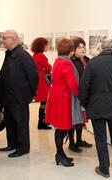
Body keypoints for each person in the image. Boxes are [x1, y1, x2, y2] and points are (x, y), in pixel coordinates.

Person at [79, 38, 112, 178]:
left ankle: (104, 169)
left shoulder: (92, 63)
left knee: (101, 138)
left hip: (96, 106)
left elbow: (84, 86)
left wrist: (85, 104)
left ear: (101, 49)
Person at [0, 30, 38, 158]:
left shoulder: (23, 55)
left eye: (4, 38)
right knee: (10, 122)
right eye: (2, 38)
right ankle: (12, 144)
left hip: (19, 97)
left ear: (14, 39)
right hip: (9, 97)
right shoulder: (10, 53)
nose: (2, 40)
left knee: (21, 124)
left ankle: (23, 148)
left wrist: (30, 94)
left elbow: (33, 77)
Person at [45, 39, 84, 167]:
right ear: (71, 50)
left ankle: (61, 154)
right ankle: (60, 154)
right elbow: (72, 83)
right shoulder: (66, 63)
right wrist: (82, 94)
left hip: (57, 97)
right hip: (63, 100)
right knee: (61, 129)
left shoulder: (58, 60)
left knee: (60, 128)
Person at [68, 37, 92, 153]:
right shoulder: (71, 62)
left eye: (83, 47)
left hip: (84, 95)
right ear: (73, 49)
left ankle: (79, 140)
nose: (83, 49)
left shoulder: (87, 60)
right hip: (74, 95)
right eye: (79, 47)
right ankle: (72, 143)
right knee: (73, 120)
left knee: (81, 119)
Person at [31, 37, 52, 129]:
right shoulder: (41, 56)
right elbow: (49, 68)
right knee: (44, 102)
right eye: (46, 45)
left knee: (43, 103)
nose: (47, 47)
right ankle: (41, 123)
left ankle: (43, 121)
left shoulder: (35, 55)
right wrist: (45, 68)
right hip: (43, 82)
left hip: (39, 81)